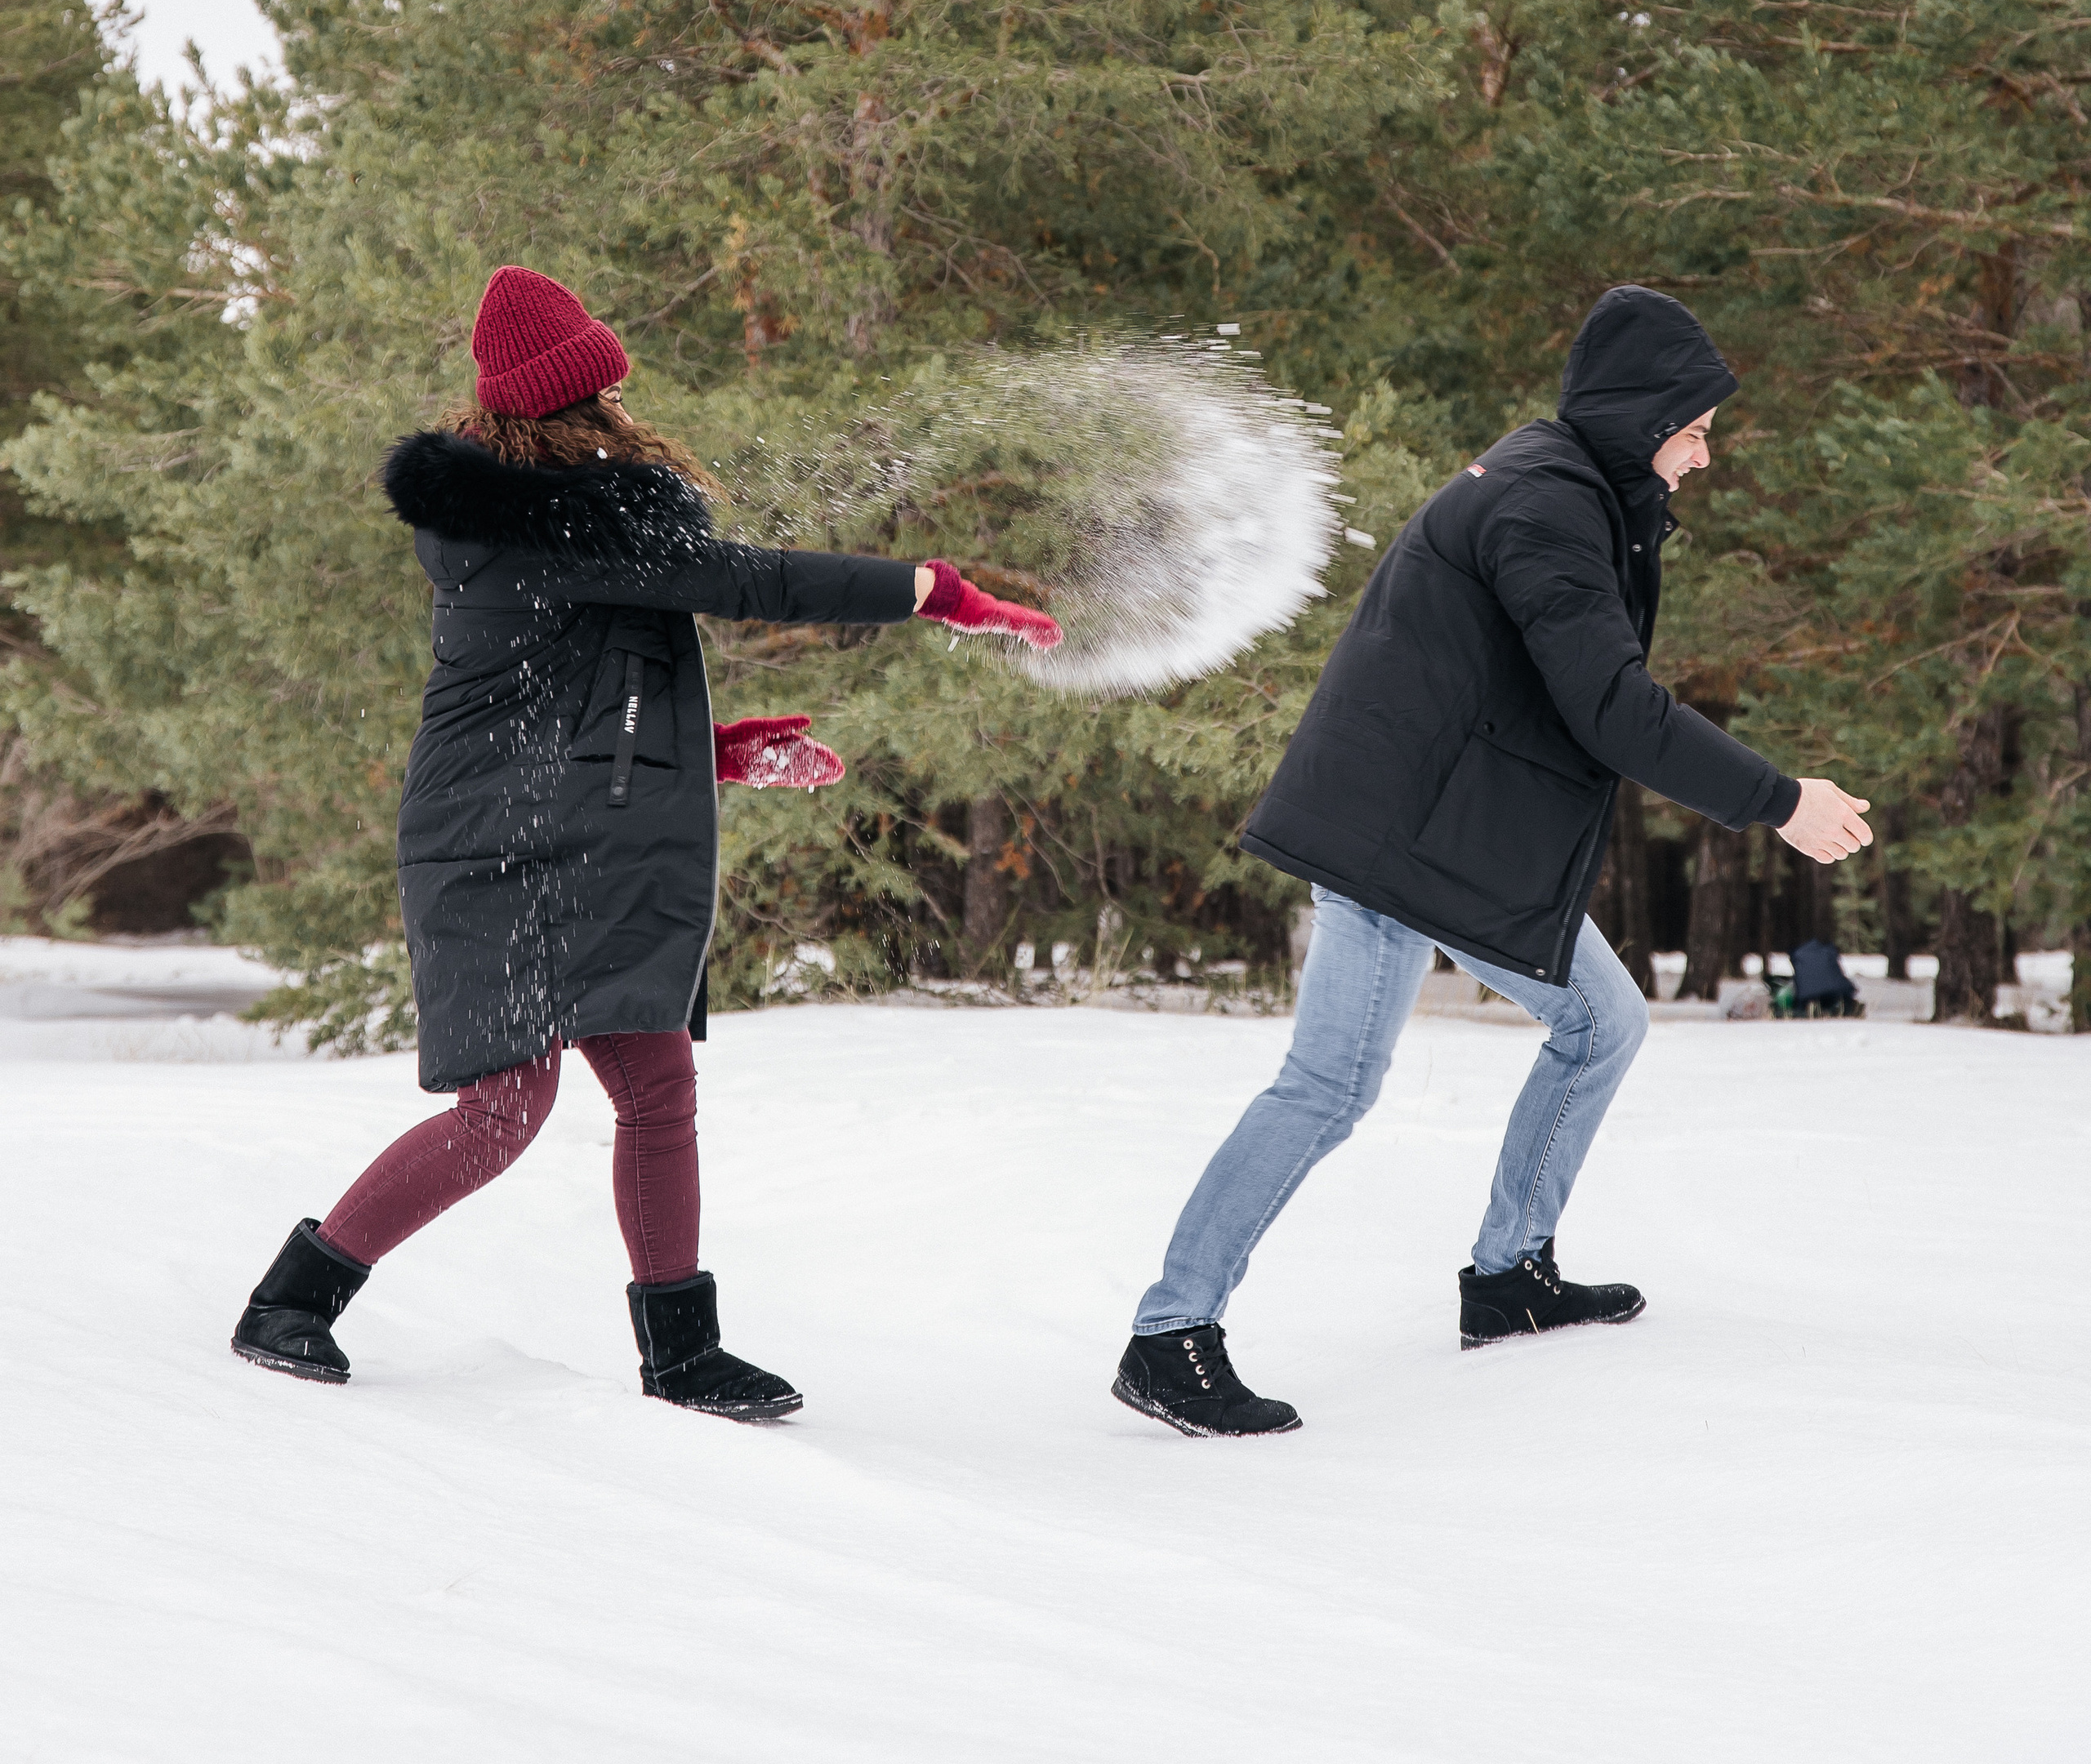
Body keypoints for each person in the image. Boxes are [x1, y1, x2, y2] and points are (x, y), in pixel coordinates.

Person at [231, 263, 1058, 1419]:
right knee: (505, 1110)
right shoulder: (540, 524)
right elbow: (748, 578)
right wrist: (933, 590)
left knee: (657, 1084)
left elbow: (574, 690)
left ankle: (681, 1352)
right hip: (496, 845)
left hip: (557, 824)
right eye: (600, 390)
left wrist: (710, 750)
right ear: (566, 402)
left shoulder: (572, 522)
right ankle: (292, 1302)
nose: (619, 404)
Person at [1112, 284, 1873, 1439]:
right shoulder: (1543, 507)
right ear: (1642, 417)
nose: (1707, 455)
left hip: (1444, 834)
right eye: (1698, 428)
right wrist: (1778, 801)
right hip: (1398, 840)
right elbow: (1612, 707)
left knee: (1601, 1024)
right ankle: (1171, 1336)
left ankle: (1510, 1277)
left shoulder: (1570, 491)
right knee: (1327, 1086)